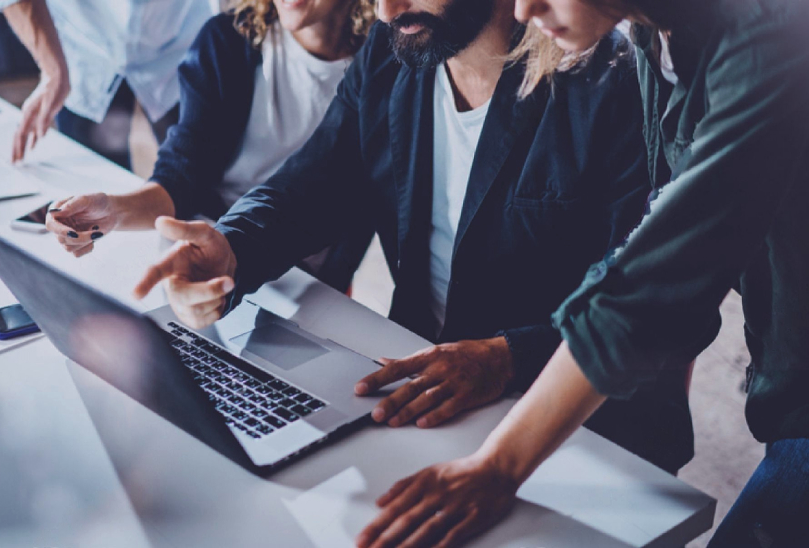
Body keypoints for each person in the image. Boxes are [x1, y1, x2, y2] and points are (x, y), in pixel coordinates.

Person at [114, 0, 695, 479]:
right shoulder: (398, 52)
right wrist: (230, 247)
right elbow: (312, 183)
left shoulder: (614, 81)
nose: (388, 10)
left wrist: (506, 357)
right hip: (418, 389)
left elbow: (652, 301)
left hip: (572, 425)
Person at [356, 0, 809, 546]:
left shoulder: (770, 36)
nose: (524, 9)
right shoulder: (654, 37)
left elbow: (656, 282)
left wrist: (499, 465)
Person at [43, 0, 377, 291]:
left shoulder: (384, 72)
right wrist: (113, 211)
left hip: (306, 281)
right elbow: (180, 179)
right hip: (204, 258)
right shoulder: (227, 41)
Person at [0, 0, 217, 169]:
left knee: (200, 176)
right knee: (90, 194)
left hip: (181, 41)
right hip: (86, 51)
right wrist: (53, 69)